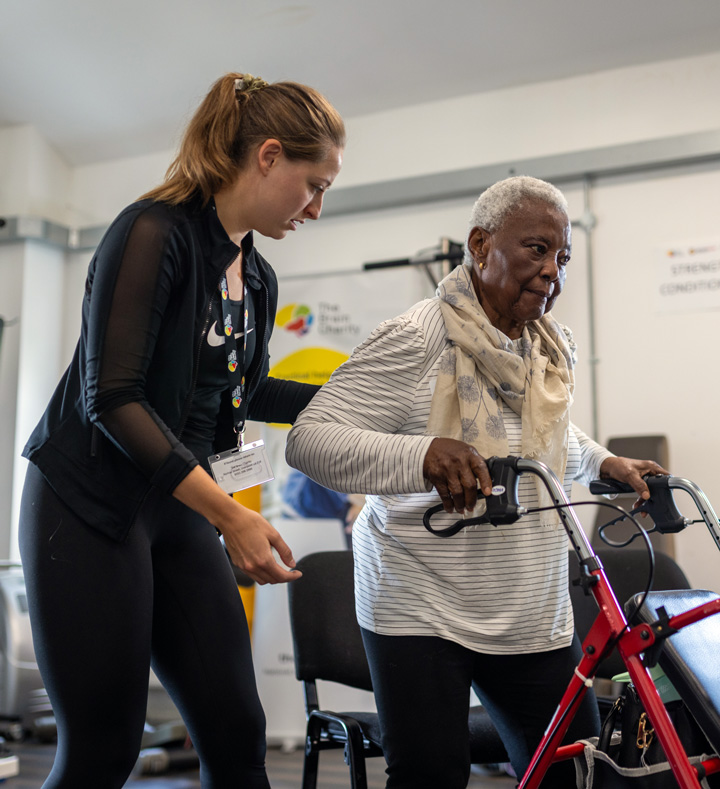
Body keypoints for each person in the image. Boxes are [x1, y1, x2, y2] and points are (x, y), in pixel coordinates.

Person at [286, 176, 668, 787]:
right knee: (430, 777)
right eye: (537, 249)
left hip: (529, 606)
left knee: (577, 772)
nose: (552, 271)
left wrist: (603, 464)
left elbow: (543, 438)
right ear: (481, 243)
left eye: (563, 258)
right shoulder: (416, 337)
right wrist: (424, 455)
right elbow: (311, 440)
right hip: (420, 603)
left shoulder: (551, 344)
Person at [19, 72, 344, 788]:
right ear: (266, 156)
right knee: (104, 746)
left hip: (179, 504)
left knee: (237, 731)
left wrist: (354, 396)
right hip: (89, 504)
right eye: (313, 183)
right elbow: (113, 398)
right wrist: (232, 515)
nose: (317, 207)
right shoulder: (151, 233)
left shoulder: (255, 277)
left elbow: (241, 388)